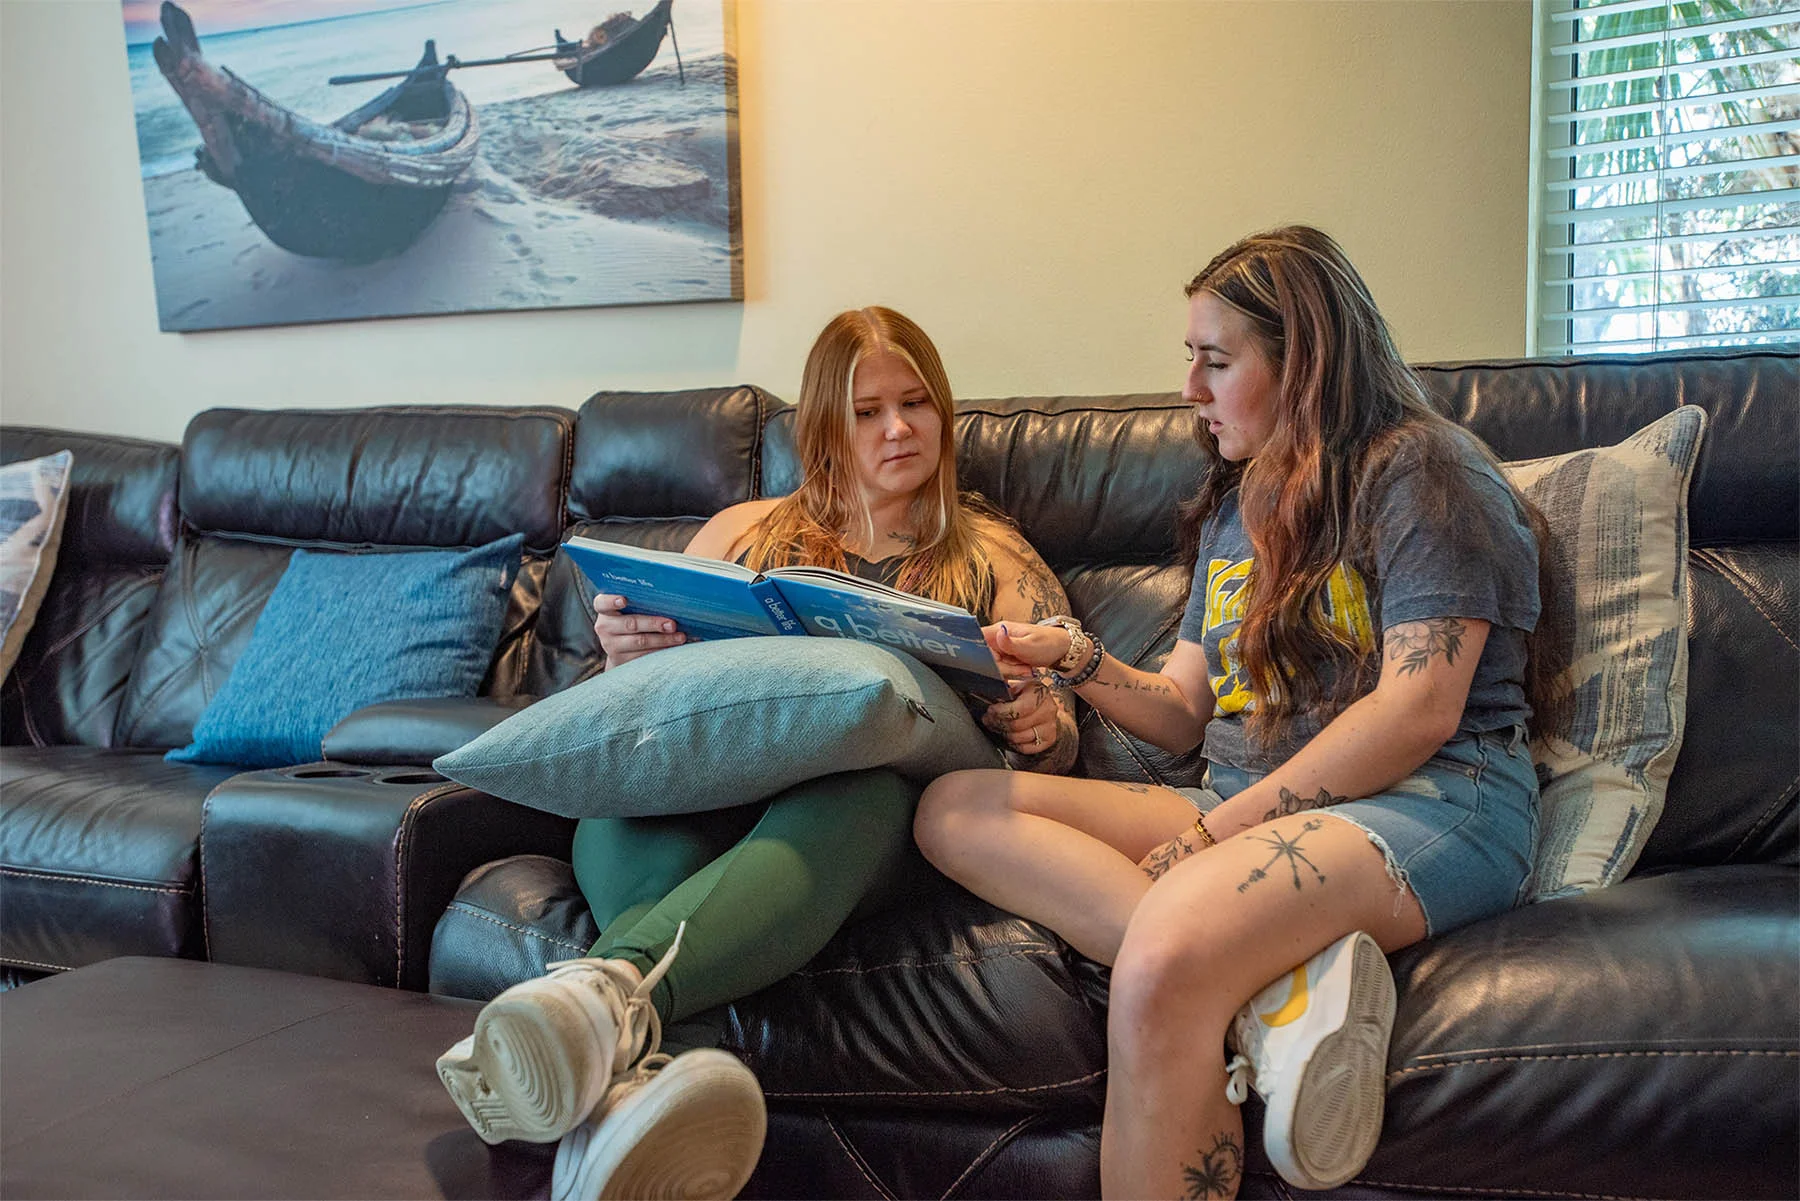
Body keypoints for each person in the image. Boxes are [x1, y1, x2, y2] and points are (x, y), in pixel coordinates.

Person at [914, 226, 1553, 1200]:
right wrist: (1073, 657)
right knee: (955, 806)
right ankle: (1273, 995)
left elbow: (1419, 709)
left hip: (1430, 797)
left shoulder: (1424, 472)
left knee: (1166, 953)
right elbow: (1182, 711)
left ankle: (1224, 961)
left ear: (1305, 363)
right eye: (1191, 360)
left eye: (1216, 361)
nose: (1189, 389)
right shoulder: (1233, 509)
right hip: (1243, 797)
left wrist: (1215, 837)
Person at [436, 306, 1079, 1200]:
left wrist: (1042, 725)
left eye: (915, 402)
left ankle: (596, 999)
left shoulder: (991, 553)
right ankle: (624, 1102)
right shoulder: (744, 532)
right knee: (623, 801)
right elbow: (654, 699)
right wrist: (628, 654)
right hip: (715, 797)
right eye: (866, 411)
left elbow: (1065, 732)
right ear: (823, 426)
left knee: (857, 794)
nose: (898, 428)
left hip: (875, 823)